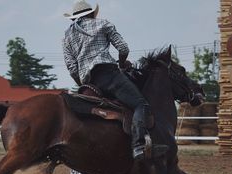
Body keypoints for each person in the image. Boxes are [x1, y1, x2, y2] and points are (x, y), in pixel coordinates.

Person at [63, 1, 162, 163]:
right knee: (140, 104)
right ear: (90, 14)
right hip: (110, 76)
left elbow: (72, 68)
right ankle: (138, 146)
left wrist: (82, 84)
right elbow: (123, 49)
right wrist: (122, 65)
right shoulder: (103, 24)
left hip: (89, 84)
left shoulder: (67, 37)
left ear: (74, 18)